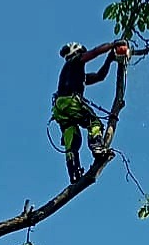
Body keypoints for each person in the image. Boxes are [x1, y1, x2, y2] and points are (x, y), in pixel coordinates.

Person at [52, 39, 129, 183]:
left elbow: (100, 76)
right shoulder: (75, 61)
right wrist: (113, 45)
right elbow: (94, 52)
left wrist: (109, 59)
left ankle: (74, 172)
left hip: (59, 108)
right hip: (69, 102)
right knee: (94, 123)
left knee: (72, 138)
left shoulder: (74, 74)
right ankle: (97, 147)